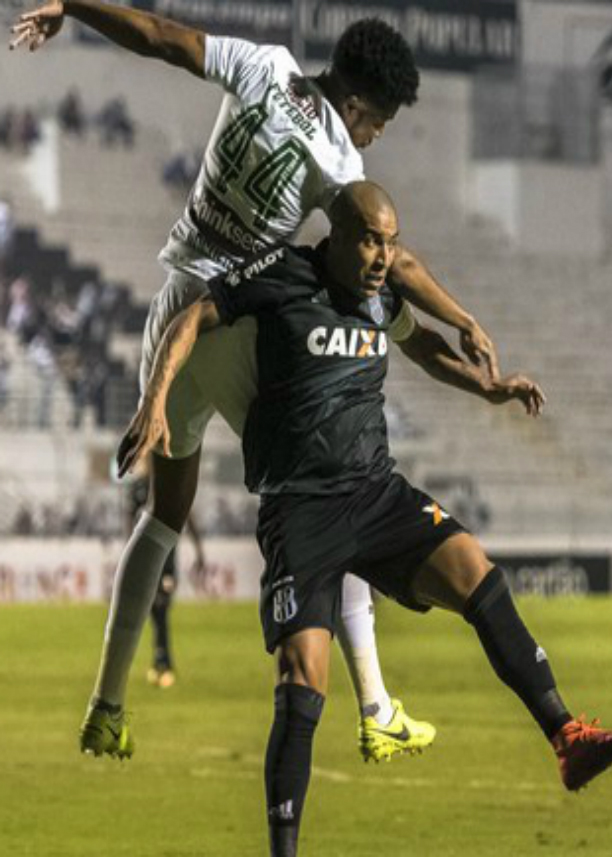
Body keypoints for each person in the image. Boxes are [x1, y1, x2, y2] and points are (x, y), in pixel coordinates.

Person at [10, 1, 498, 763]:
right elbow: (392, 262)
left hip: (173, 307)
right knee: (338, 482)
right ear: (363, 106)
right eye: (380, 125)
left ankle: (106, 705)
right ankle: (375, 706)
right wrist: (462, 315)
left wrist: (74, 3)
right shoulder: (340, 157)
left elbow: (163, 39)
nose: (373, 140)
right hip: (229, 319)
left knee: (163, 516)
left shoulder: (264, 64)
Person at [118, 181, 612, 856]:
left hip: (376, 493)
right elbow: (189, 316)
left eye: (390, 242)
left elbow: (422, 348)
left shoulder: (381, 297)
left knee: (478, 573)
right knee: (304, 681)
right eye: (369, 238)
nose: (380, 255)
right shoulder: (280, 279)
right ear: (334, 234)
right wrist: (155, 400)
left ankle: (566, 736)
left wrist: (490, 387)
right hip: (301, 508)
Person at [122, 458, 205, 688]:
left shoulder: (171, 484)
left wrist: (200, 552)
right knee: (155, 609)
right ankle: (162, 661)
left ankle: (162, 662)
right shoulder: (137, 488)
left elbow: (189, 517)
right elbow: (128, 524)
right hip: (145, 560)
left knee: (161, 606)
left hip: (166, 559)